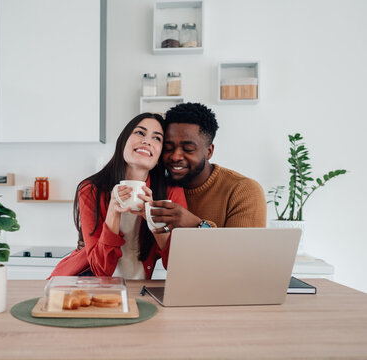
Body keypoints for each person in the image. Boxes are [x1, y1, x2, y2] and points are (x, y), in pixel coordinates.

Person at [49, 113, 187, 279]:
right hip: (85, 281)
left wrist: (154, 221)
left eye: (157, 138)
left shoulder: (171, 192)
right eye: (140, 133)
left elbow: (177, 264)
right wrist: (113, 214)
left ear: (159, 157)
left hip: (137, 287)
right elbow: (101, 270)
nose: (147, 141)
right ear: (123, 142)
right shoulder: (90, 189)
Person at [149, 102, 266, 234]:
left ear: (209, 152)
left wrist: (197, 225)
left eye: (188, 149)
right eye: (168, 148)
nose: (175, 157)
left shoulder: (243, 191)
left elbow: (244, 251)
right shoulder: (156, 186)